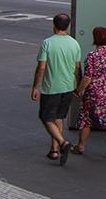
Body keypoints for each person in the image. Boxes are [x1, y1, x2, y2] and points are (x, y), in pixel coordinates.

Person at [31, 13, 82, 165]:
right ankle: (54, 150)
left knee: (46, 117)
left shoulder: (47, 43)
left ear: (53, 25)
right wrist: (78, 87)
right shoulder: (74, 43)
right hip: (68, 86)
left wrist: (35, 86)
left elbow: (41, 67)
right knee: (59, 117)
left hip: (51, 87)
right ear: (68, 26)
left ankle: (62, 143)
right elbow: (77, 68)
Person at [71, 26, 106, 158]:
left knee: (86, 119)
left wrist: (78, 90)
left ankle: (80, 145)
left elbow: (88, 77)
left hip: (94, 93)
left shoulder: (92, 56)